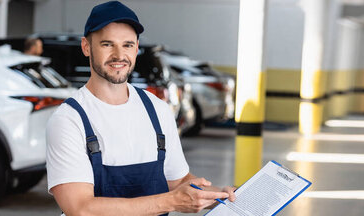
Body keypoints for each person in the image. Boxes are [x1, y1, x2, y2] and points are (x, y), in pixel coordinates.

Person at [45, 1, 235, 215]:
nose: (119, 55)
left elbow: (179, 181)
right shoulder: (69, 120)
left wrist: (222, 196)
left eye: (127, 45)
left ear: (136, 48)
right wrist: (170, 202)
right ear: (86, 46)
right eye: (107, 44)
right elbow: (81, 209)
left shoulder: (157, 110)